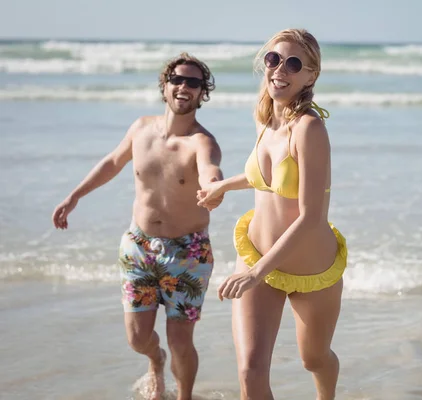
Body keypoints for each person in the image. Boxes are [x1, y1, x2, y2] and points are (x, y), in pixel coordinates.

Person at [51, 52, 223, 400]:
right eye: (178, 79)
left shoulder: (202, 143)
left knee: (180, 340)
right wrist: (75, 196)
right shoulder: (141, 128)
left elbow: (210, 171)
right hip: (138, 246)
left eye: (193, 82)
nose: (184, 87)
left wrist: (214, 189)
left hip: (187, 254)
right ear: (165, 85)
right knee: (138, 338)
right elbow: (113, 162)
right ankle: (154, 362)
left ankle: (184, 396)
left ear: (202, 93)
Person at [197, 29, 346, 400]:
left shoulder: (309, 128)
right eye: (273, 59)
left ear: (310, 76)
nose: (280, 68)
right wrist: (222, 187)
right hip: (258, 256)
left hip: (310, 269)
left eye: (294, 63)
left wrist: (254, 274)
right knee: (250, 370)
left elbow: (312, 216)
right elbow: (264, 177)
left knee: (313, 359)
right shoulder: (265, 118)